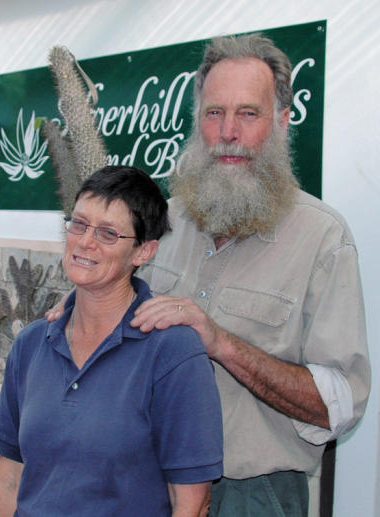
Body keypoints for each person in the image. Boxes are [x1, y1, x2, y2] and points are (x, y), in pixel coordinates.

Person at [49, 33, 371, 516]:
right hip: (144, 485)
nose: (227, 132)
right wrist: (77, 309)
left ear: (282, 121)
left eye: (248, 113)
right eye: (214, 113)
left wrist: (220, 342)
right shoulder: (162, 222)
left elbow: (341, 406)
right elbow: (116, 310)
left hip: (252, 497)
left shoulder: (323, 239)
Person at [0, 166, 223, 516]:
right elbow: (10, 477)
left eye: (108, 233)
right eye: (79, 224)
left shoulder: (172, 351)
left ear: (144, 252)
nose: (85, 242)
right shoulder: (31, 343)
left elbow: (191, 504)